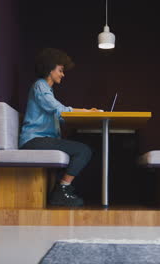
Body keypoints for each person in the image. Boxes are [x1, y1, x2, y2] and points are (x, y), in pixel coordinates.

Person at [19, 48, 100, 207]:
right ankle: (61, 190)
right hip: (34, 140)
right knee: (83, 150)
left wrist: (81, 115)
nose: (63, 74)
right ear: (50, 69)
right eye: (60, 70)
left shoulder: (47, 90)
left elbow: (58, 113)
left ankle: (62, 189)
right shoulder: (40, 86)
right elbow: (59, 109)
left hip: (42, 139)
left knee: (81, 148)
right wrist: (84, 111)